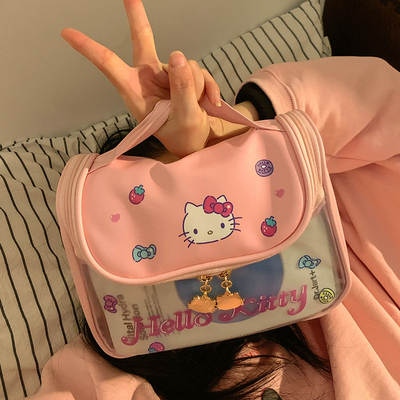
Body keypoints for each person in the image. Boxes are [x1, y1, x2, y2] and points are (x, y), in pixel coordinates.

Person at [29, 0, 400, 399]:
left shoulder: (334, 216)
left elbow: (378, 101)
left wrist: (235, 128)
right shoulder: (119, 346)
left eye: (216, 177)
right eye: (158, 208)